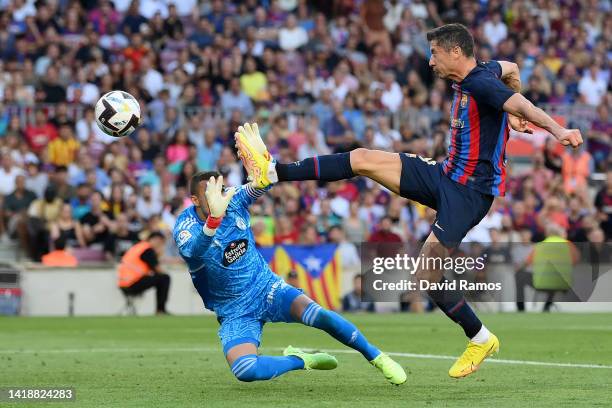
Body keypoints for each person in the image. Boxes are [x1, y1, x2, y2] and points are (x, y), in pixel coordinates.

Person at [235, 23, 583, 378]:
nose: (430, 61)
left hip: (469, 194)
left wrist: (556, 129)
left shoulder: (481, 83)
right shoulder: (485, 73)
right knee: (363, 158)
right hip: (444, 175)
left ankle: (480, 337)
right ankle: (273, 172)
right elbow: (512, 68)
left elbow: (520, 100)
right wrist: (513, 115)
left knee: (426, 275)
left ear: (456, 52)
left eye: (434, 53)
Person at [172, 171, 406, 384]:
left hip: (266, 287)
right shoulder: (185, 226)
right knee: (245, 370)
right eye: (209, 194)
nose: (218, 198)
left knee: (321, 316)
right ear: (194, 200)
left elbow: (260, 185)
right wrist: (214, 219)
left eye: (220, 190)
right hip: (233, 309)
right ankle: (300, 360)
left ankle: (376, 356)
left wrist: (264, 170)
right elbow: (193, 249)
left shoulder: (232, 200)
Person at [118, 231, 171, 315]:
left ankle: (160, 310)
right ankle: (160, 310)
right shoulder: (148, 249)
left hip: (123, 283)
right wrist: (160, 254)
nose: (161, 246)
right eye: (161, 243)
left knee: (161, 278)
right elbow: (158, 270)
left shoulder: (139, 247)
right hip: (132, 283)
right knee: (165, 278)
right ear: (156, 240)